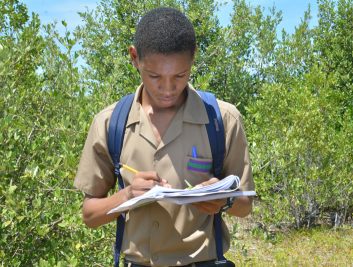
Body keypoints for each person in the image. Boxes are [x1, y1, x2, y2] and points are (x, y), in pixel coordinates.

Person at [74, 7, 254, 267]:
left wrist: (224, 200)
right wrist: (127, 196)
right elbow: (90, 215)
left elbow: (245, 205)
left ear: (193, 58)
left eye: (180, 76)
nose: (168, 89)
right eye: (154, 76)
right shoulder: (110, 122)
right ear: (134, 58)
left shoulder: (223, 120)